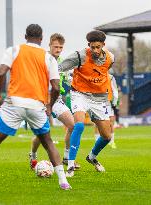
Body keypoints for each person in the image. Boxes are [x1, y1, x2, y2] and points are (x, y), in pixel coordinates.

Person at [0, 24, 71, 194]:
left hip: (14, 103)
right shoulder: (49, 58)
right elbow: (55, 86)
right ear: (41, 39)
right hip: (37, 105)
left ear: (25, 36)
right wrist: (48, 105)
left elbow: (0, 73)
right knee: (47, 142)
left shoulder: (15, 50)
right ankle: (64, 182)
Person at [59, 30, 114, 177]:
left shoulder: (110, 58)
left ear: (103, 45)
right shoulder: (80, 55)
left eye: (98, 47)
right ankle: (70, 165)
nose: (95, 50)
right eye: (92, 47)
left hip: (99, 98)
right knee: (79, 125)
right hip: (80, 94)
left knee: (107, 136)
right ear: (88, 45)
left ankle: (92, 157)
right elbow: (59, 68)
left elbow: (104, 72)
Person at [29, 33, 80, 170]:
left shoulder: (63, 63)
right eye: (55, 46)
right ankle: (33, 155)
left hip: (56, 100)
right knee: (42, 134)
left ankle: (66, 157)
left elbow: (67, 79)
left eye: (60, 47)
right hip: (40, 100)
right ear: (50, 45)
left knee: (72, 125)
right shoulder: (42, 59)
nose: (58, 49)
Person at [94, 74, 119, 149]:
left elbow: (115, 90)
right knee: (97, 123)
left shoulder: (110, 77)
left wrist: (114, 102)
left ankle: (112, 141)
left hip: (107, 102)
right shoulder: (95, 76)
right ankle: (96, 141)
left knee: (111, 122)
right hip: (97, 102)